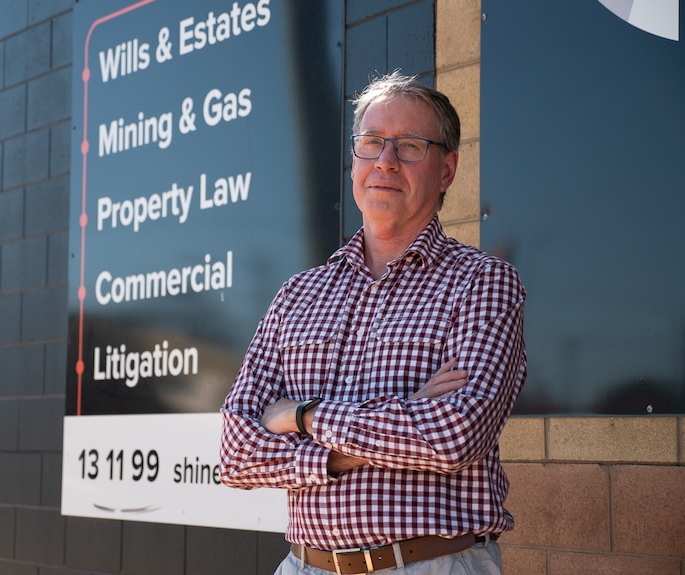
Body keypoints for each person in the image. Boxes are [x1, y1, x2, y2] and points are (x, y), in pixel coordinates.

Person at [219, 70, 527, 575]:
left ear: (446, 169)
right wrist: (373, 436)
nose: (386, 161)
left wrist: (305, 417)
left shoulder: (483, 283)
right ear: (354, 159)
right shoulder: (299, 294)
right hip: (304, 566)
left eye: (409, 146)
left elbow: (456, 437)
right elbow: (236, 451)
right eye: (372, 143)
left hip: (430, 565)